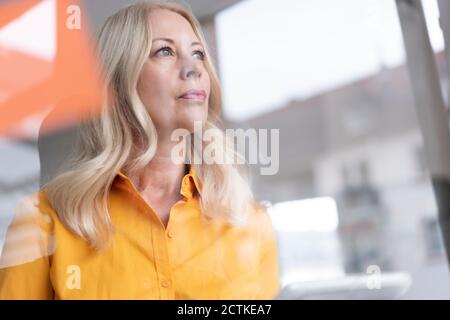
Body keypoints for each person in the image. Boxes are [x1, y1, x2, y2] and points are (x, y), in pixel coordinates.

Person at [0, 0, 280, 299]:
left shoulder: (248, 220)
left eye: (198, 53)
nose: (193, 68)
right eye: (165, 51)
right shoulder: (44, 221)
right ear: (119, 82)